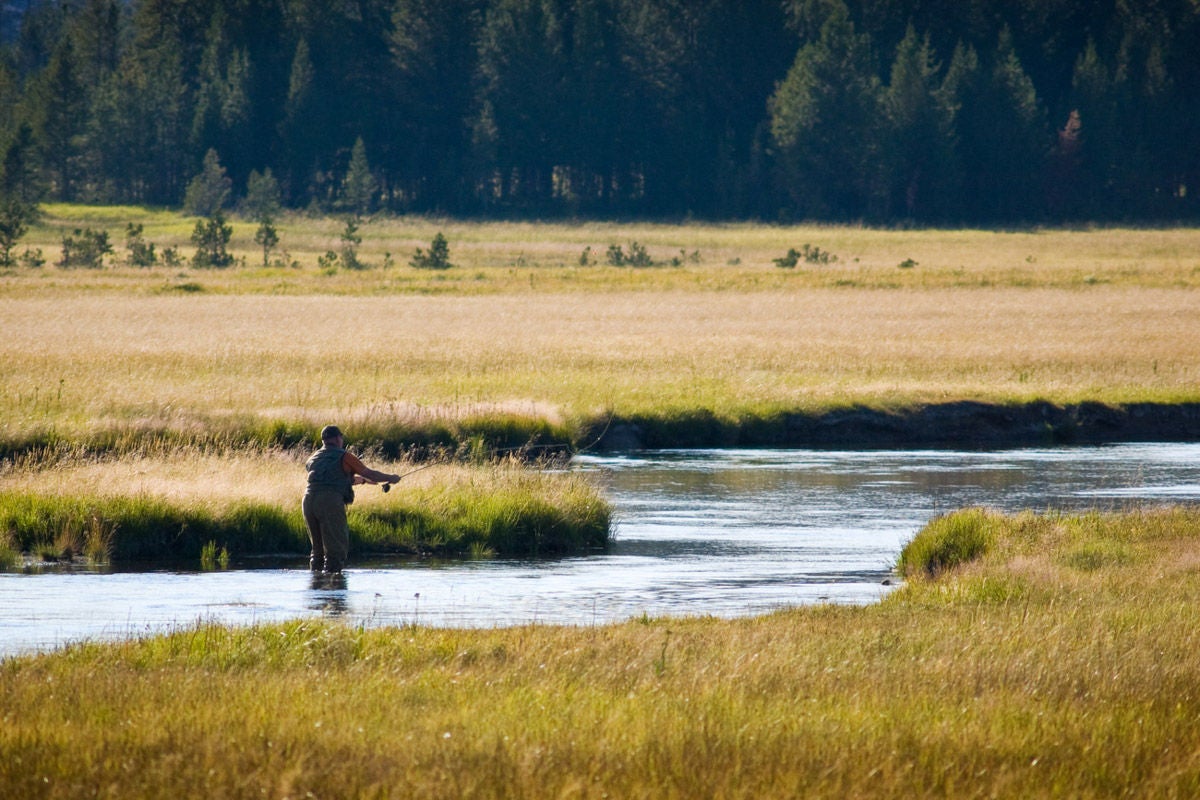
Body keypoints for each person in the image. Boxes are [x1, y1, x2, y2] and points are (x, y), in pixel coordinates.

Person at [302, 424, 400, 574]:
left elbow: (329, 478)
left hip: (308, 501)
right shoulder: (344, 455)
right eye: (341, 437)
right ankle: (335, 588)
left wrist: (360, 480)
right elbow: (370, 473)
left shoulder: (313, 458)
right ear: (337, 438)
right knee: (336, 549)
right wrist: (391, 478)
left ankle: (316, 587)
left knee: (317, 550)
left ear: (324, 440)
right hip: (329, 502)